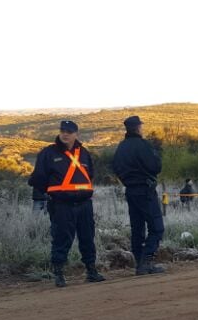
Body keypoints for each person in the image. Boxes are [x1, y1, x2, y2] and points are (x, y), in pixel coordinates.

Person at [29, 120, 105, 287]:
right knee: (61, 238)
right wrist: (52, 194)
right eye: (63, 130)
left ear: (76, 134)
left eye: (69, 131)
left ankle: (91, 271)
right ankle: (59, 274)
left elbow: (90, 174)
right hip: (61, 205)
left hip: (84, 204)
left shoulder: (84, 153)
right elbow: (38, 178)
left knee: (87, 238)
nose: (65, 134)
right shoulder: (48, 153)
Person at [111, 115, 166, 275]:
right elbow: (156, 166)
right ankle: (146, 261)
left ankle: (139, 263)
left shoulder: (121, 147)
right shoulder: (143, 145)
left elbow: (115, 166)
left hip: (130, 191)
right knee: (156, 227)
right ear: (138, 128)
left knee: (137, 228)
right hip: (145, 190)